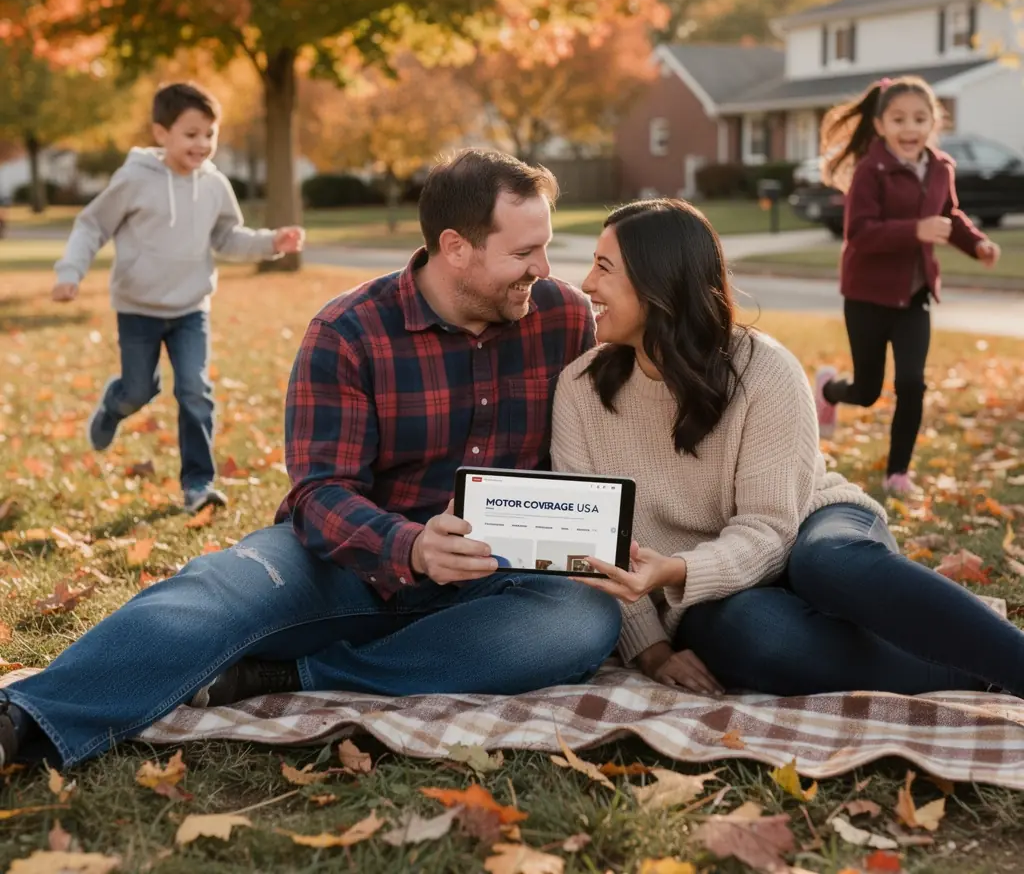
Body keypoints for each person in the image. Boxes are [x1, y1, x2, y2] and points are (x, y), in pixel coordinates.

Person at [0, 149, 620, 770]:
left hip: (489, 581)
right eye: (522, 253)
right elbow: (319, 493)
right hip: (345, 563)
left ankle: (291, 675)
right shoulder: (349, 331)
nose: (543, 267)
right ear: (455, 247)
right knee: (216, 590)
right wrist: (413, 547)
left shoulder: (562, 317)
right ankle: (28, 716)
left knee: (584, 619)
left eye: (542, 248)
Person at [551, 198, 1024, 698]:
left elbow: (771, 528)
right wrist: (651, 649)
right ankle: (965, 672)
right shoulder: (579, 390)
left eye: (604, 267)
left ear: (659, 282)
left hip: (806, 524)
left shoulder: (764, 369)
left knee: (827, 562)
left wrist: (680, 567)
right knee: (758, 637)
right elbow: (589, 544)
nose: (586, 284)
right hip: (701, 594)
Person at [50, 81, 306, 514]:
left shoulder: (214, 185)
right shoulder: (134, 179)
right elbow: (93, 225)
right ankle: (114, 407)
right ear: (161, 133)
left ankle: (198, 486)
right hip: (139, 310)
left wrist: (270, 242)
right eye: (191, 134)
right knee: (138, 390)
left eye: (210, 134)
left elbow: (227, 236)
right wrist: (70, 271)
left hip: (191, 309)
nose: (202, 144)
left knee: (195, 391)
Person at [811, 76, 1001, 497]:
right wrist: (915, 229)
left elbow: (949, 215)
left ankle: (897, 473)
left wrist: (978, 245)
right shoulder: (870, 170)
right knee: (866, 390)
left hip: (915, 297)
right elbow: (859, 233)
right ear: (880, 125)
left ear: (934, 121)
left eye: (919, 118)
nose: (909, 128)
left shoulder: (941, 168)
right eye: (898, 119)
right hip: (867, 296)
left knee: (912, 383)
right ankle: (828, 388)